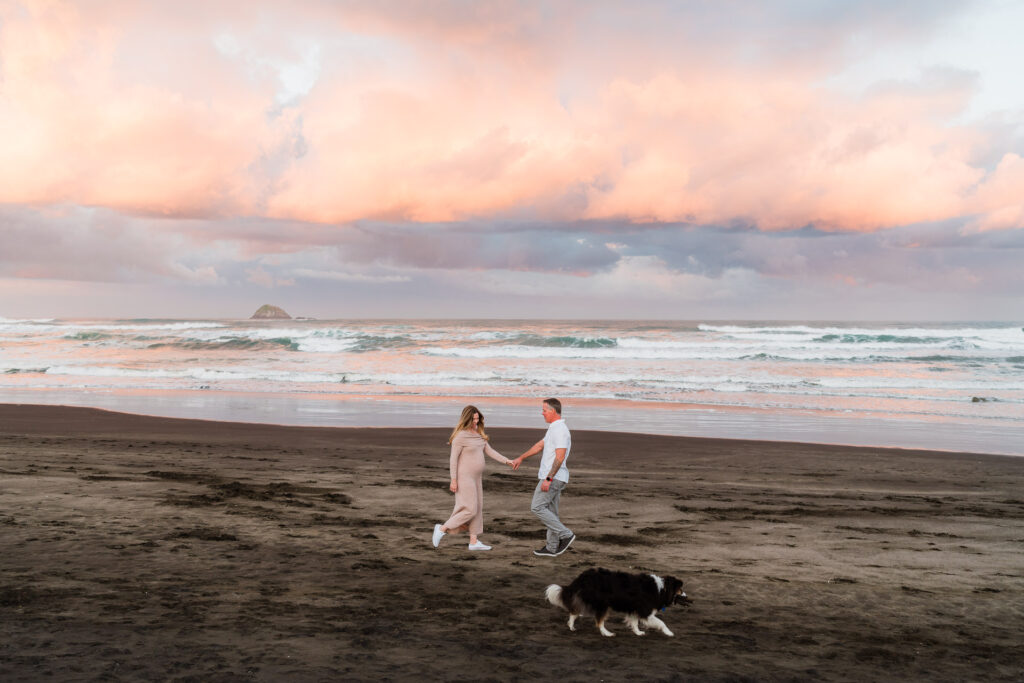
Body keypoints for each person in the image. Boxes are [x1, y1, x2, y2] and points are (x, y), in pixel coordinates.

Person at [432, 405, 513, 551]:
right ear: (466, 419)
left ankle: (474, 541)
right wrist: (454, 479)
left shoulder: (478, 434)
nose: (475, 422)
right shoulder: (460, 436)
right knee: (470, 509)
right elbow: (453, 460)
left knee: (478, 508)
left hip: (477, 478)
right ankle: (442, 528)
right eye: (473, 419)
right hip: (464, 477)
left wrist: (507, 461)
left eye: (477, 419)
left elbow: (491, 451)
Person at [510, 398, 574, 557]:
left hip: (553, 477)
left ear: (553, 411)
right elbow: (540, 445)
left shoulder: (560, 430)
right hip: (555, 477)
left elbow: (560, 457)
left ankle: (565, 534)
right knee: (551, 512)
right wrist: (521, 458)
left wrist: (548, 478)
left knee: (537, 507)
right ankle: (552, 547)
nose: (542, 412)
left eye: (544, 410)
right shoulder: (554, 428)